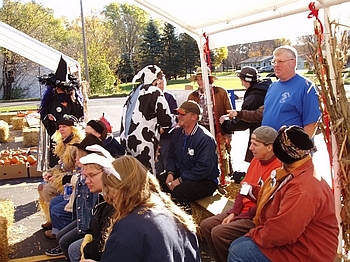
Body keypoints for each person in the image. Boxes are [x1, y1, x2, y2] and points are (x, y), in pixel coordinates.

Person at [227, 125, 339, 262]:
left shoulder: (303, 188)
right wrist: (253, 191)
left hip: (307, 252)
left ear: (286, 153)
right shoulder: (292, 171)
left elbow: (283, 232)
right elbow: (275, 197)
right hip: (297, 242)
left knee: (239, 251)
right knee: (237, 245)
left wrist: (254, 234)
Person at [85, 154, 201, 261]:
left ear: (121, 189)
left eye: (110, 190)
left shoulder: (129, 228)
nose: (110, 197)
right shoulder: (173, 215)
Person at [200, 126, 281, 262]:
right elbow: (242, 191)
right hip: (243, 212)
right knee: (206, 225)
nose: (250, 148)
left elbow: (266, 205)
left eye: (255, 144)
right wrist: (234, 212)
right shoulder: (255, 161)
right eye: (251, 143)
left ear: (270, 147)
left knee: (219, 233)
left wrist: (238, 217)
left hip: (257, 217)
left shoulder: (278, 169)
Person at [44, 134, 103, 256]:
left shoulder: (99, 181)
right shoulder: (83, 176)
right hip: (84, 221)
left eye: (78, 156)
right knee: (61, 237)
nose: (75, 159)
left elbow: (95, 211)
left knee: (70, 246)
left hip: (90, 225)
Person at [159, 100, 219, 209]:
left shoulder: (205, 139)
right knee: (158, 182)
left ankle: (185, 221)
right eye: (178, 114)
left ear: (194, 117)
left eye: (182, 114)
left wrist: (180, 180)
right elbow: (170, 156)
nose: (178, 117)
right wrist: (170, 173)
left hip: (205, 181)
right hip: (184, 175)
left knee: (179, 192)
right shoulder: (177, 133)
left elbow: (204, 168)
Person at [120, 65, 176, 175]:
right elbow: (166, 121)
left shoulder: (132, 93)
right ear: (156, 79)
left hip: (126, 142)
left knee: (133, 175)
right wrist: (176, 118)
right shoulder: (154, 92)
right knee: (147, 176)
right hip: (143, 142)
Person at [67, 149, 115, 262]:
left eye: (91, 175)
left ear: (107, 173)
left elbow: (102, 245)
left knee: (72, 248)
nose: (87, 181)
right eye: (85, 176)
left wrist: (86, 248)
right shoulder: (103, 197)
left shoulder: (114, 204)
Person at [38, 115, 84, 231]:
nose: (61, 129)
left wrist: (57, 177)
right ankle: (52, 220)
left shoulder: (76, 145)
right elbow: (61, 164)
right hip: (64, 175)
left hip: (72, 180)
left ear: (73, 128)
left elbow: (76, 171)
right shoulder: (63, 143)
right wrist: (51, 172)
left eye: (65, 126)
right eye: (60, 127)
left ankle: (57, 226)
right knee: (41, 187)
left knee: (46, 189)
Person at [263, 45, 321, 137]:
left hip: (291, 148)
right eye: (274, 62)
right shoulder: (273, 86)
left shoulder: (306, 87)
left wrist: (300, 148)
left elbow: (312, 123)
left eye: (280, 61)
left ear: (293, 63)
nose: (276, 65)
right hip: (270, 146)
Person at [38, 56, 85, 168]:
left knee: (72, 162)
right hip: (56, 137)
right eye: (56, 88)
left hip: (71, 138)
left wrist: (74, 101)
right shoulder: (50, 100)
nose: (58, 90)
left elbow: (79, 116)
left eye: (61, 88)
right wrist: (48, 119)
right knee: (57, 162)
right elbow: (44, 116)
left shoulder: (73, 99)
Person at [188, 66, 233, 177]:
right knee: (204, 155)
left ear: (209, 79)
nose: (199, 81)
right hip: (201, 130)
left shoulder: (220, 92)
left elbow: (230, 112)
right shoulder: (193, 96)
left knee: (222, 155)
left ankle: (225, 179)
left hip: (219, 129)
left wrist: (227, 125)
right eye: (197, 79)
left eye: (202, 78)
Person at [220, 66, 271, 162]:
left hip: (259, 136)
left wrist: (226, 124)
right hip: (268, 133)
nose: (242, 84)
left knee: (257, 164)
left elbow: (243, 123)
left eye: (242, 80)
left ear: (245, 81)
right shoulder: (265, 89)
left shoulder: (253, 98)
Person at [155, 75, 178, 176]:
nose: (160, 86)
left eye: (162, 83)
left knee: (167, 160)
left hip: (167, 136)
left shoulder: (169, 97)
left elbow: (174, 116)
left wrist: (164, 128)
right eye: (157, 84)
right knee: (156, 163)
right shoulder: (150, 98)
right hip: (154, 136)